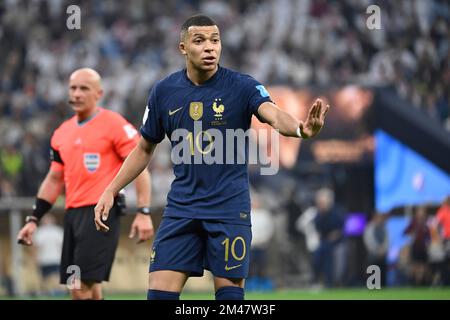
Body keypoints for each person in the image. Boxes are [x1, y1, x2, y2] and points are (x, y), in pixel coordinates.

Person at [95, 15, 329, 300]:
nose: (210, 47)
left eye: (215, 40)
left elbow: (275, 115)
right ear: (183, 48)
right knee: (158, 297)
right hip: (182, 209)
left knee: (229, 301)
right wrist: (111, 189)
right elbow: (144, 149)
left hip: (229, 210)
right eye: (200, 41)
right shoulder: (164, 92)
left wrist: (301, 130)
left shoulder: (242, 87)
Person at [17, 68, 154, 300]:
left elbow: (140, 166)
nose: (77, 93)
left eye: (84, 88)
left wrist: (143, 211)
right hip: (73, 214)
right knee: (83, 288)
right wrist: (34, 219)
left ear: (98, 93)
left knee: (80, 286)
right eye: (73, 88)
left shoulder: (114, 124)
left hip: (100, 213)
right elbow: (53, 179)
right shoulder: (62, 133)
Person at [33, 214, 64, 296]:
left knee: (54, 278)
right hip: (45, 260)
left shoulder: (56, 231)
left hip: (54, 259)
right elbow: (36, 248)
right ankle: (49, 293)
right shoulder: (41, 232)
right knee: (46, 279)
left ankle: (56, 292)